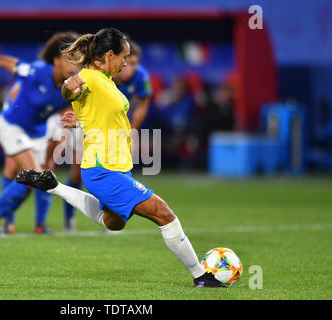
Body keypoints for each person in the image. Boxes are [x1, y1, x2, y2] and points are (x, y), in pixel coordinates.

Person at [15, 28, 227, 287]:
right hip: (103, 169)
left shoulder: (106, 81)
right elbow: (71, 91)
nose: (126, 62)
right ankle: (201, 277)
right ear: (110, 54)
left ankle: (54, 186)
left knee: (112, 222)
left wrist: (80, 119)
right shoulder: (89, 77)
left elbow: (97, 113)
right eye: (124, 57)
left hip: (114, 167)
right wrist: (68, 90)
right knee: (164, 214)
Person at [0, 32, 80, 235]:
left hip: (38, 133)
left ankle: (0, 210)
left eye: (78, 60)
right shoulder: (37, 71)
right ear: (56, 60)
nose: (75, 65)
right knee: (36, 175)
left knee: (34, 183)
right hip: (12, 126)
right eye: (71, 59)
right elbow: (1, 60)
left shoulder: (72, 87)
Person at [61, 38, 152, 232]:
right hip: (90, 129)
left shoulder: (138, 76)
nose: (130, 67)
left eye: (134, 62)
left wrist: (132, 132)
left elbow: (143, 105)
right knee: (77, 171)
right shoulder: (101, 74)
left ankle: (109, 216)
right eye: (127, 59)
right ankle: (69, 219)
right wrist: (78, 120)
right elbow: (76, 94)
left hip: (115, 134)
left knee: (118, 171)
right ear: (113, 56)